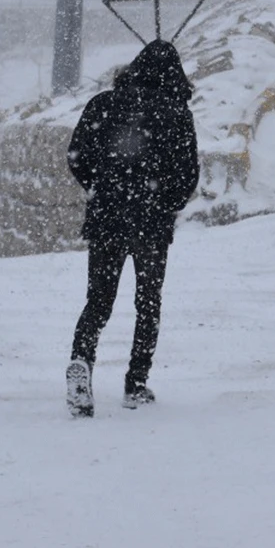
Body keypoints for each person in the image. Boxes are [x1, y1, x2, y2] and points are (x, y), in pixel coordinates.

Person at [64, 39, 200, 417]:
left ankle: (81, 360)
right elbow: (188, 175)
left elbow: (77, 156)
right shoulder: (176, 113)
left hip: (107, 217)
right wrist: (165, 203)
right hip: (151, 226)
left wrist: (100, 188)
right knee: (148, 302)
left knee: (99, 301)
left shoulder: (103, 104)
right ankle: (136, 382)